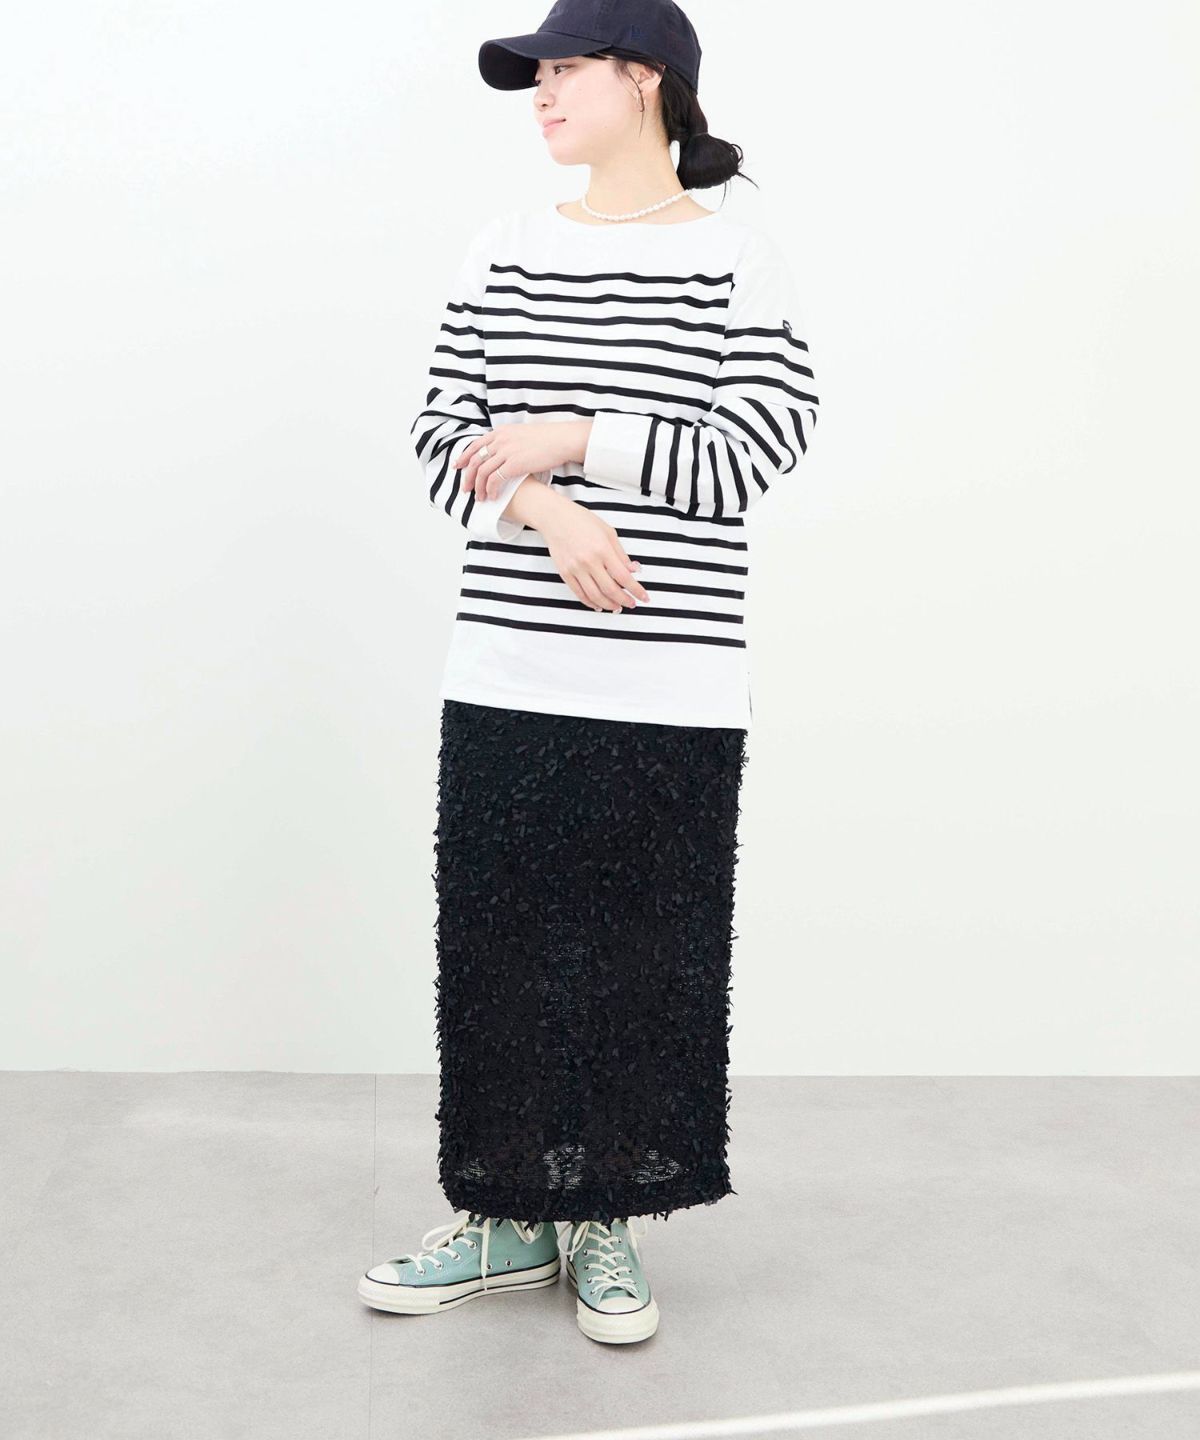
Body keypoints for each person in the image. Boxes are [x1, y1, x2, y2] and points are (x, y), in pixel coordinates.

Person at [358, 0, 820, 1346]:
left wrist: (572, 434)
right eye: (538, 74)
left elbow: (757, 448)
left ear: (647, 80)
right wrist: (551, 511)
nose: (543, 94)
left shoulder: (737, 259)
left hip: (672, 682)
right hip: (507, 665)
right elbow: (442, 433)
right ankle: (507, 1219)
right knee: (497, 952)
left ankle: (604, 1218)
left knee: (640, 962)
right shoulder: (503, 249)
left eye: (566, 69)